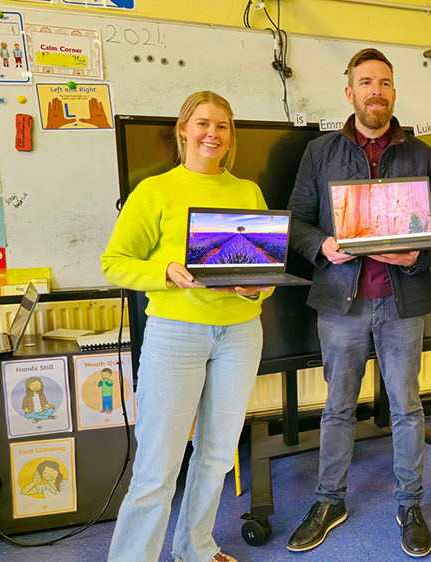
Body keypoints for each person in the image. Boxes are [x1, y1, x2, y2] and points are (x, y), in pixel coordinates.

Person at [286, 48, 431, 557]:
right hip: (342, 302)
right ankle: (329, 501)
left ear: (393, 92)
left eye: (384, 82)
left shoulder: (423, 156)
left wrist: (413, 259)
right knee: (336, 408)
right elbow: (295, 222)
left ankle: (410, 503)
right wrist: (323, 246)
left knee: (407, 408)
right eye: (365, 82)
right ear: (349, 90)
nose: (375, 91)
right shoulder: (320, 152)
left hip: (401, 303)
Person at [102, 91, 274, 562]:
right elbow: (114, 264)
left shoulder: (247, 193)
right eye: (202, 124)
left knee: (217, 456)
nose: (212, 134)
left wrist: (252, 290)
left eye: (222, 126)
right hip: (175, 332)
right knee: (158, 467)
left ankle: (197, 548)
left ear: (230, 136)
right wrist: (165, 272)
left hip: (240, 333)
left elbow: (264, 274)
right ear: (183, 130)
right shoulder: (154, 191)